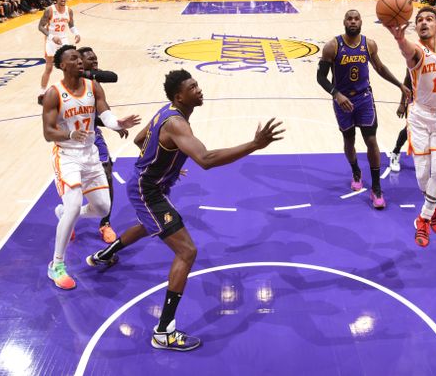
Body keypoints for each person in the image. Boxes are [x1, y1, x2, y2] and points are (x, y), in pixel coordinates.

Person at [86, 69, 284, 351]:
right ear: (180, 95)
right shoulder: (177, 123)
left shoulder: (166, 111)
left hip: (150, 185)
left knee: (148, 225)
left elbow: (140, 140)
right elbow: (205, 159)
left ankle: (105, 254)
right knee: (187, 251)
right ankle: (164, 331)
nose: (199, 89)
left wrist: (167, 164)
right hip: (147, 191)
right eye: (193, 87)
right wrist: (254, 144)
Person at [41, 45, 140, 290]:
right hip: (67, 156)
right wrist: (70, 133)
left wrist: (117, 123)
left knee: (102, 207)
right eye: (73, 58)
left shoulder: (93, 86)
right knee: (74, 204)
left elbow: (105, 113)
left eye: (79, 58)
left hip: (90, 156)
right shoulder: (55, 93)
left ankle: (65, 214)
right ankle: (56, 265)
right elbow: (47, 132)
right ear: (63, 65)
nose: (79, 62)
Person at [385, 6, 436, 248]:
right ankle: (435, 205)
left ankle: (423, 219)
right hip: (419, 119)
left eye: (429, 19)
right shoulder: (417, 51)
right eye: (419, 20)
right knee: (422, 177)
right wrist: (400, 39)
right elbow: (407, 51)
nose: (423, 22)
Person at [317, 9, 409, 209]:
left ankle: (376, 187)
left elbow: (380, 68)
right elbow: (321, 78)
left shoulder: (369, 45)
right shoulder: (332, 46)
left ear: (361, 22)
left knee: (371, 140)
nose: (352, 21)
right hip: (343, 101)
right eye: (349, 18)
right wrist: (336, 94)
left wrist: (399, 85)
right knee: (349, 140)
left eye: (356, 18)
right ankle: (356, 171)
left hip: (364, 99)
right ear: (344, 21)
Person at [389, 33, 436, 184]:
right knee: (408, 130)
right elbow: (407, 79)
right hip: (419, 102)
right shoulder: (418, 55)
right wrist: (402, 103)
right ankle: (395, 152)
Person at [77, 46, 121, 243]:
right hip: (73, 141)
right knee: (74, 186)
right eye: (90, 59)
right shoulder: (69, 86)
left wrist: (115, 124)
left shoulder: (94, 84)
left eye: (96, 58)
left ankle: (105, 223)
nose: (95, 62)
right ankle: (67, 217)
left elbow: (112, 76)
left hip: (94, 136)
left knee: (107, 175)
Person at [38, 0, 79, 104]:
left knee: (69, 66)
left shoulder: (69, 10)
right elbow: (40, 26)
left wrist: (77, 33)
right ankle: (42, 93)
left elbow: (71, 25)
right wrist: (51, 37)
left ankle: (71, 90)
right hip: (51, 40)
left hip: (63, 39)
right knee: (49, 68)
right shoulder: (49, 10)